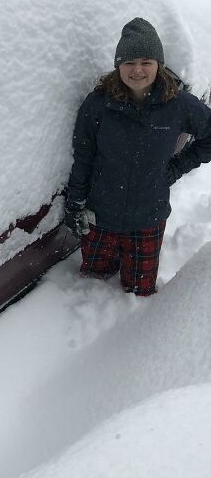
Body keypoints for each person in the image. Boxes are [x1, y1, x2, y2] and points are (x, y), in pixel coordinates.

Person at [64, 17, 211, 296]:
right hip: (100, 215)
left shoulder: (178, 105)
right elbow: (83, 157)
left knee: (139, 290)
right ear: (118, 65)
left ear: (159, 64)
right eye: (129, 62)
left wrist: (176, 168)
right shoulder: (98, 105)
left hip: (148, 218)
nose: (138, 70)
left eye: (146, 61)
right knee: (93, 280)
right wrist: (75, 203)